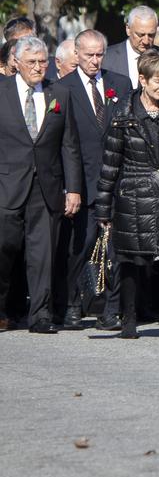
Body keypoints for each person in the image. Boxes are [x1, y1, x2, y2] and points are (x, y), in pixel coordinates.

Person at [94, 52, 159, 340]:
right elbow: (110, 164)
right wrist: (104, 208)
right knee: (130, 259)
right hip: (133, 193)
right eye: (157, 81)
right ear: (142, 80)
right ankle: (128, 318)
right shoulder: (123, 116)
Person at [0, 36, 83, 333]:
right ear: (16, 62)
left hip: (46, 185)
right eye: (32, 62)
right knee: (5, 247)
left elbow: (69, 145)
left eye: (42, 62)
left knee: (43, 253)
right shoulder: (2, 90)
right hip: (7, 184)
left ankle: (40, 315)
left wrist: (73, 188)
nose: (38, 67)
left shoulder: (58, 93)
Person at [50, 30, 131, 329]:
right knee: (80, 247)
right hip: (81, 180)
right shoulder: (62, 87)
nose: (95, 61)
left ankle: (111, 309)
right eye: (88, 55)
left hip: (116, 178)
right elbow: (59, 140)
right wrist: (68, 186)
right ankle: (72, 304)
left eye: (99, 55)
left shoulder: (119, 84)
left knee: (115, 250)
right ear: (77, 54)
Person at [103, 5, 159, 89]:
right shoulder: (107, 58)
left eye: (151, 35)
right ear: (128, 29)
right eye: (141, 35)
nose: (146, 41)